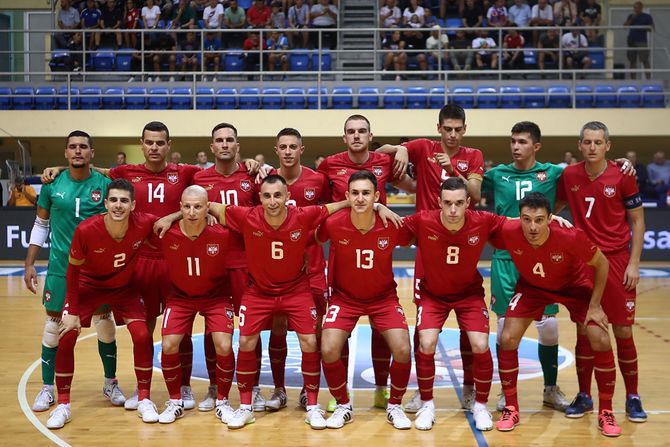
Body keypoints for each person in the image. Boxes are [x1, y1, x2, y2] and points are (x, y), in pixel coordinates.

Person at [199, 175, 366, 429]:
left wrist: (374, 206)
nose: (272, 201)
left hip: (296, 291)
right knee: (245, 340)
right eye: (267, 196)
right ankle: (245, 407)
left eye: (278, 195)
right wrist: (174, 215)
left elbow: (334, 206)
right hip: (258, 292)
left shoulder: (302, 215)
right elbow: (207, 203)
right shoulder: (247, 216)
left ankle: (312, 406)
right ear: (260, 198)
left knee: (310, 341)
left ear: (288, 197)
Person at [377, 104, 484, 413]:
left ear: (464, 129)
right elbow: (383, 151)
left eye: (457, 129)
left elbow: (475, 194)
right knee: (424, 325)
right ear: (438, 128)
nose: (452, 134)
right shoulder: (424, 147)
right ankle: (420, 391)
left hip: (463, 241)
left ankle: (469, 387)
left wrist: (452, 168)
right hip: (429, 241)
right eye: (447, 129)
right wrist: (399, 149)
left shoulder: (473, 156)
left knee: (469, 323)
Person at [492, 192, 621, 437]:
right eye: (526, 219)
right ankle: (511, 407)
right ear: (518, 217)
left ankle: (606, 411)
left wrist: (595, 306)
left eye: (539, 220)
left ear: (551, 218)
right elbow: (483, 224)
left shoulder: (570, 236)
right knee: (507, 337)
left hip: (573, 287)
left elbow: (602, 263)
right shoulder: (509, 230)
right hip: (532, 288)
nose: (532, 226)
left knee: (601, 338)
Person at [25, 131, 123, 414]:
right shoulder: (51, 185)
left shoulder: (105, 185)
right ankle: (47, 389)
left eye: (83, 147)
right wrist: (30, 262)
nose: (78, 151)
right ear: (66, 153)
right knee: (54, 328)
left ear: (92, 153)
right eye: (72, 147)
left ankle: (110, 382)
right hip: (59, 269)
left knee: (105, 324)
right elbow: (41, 225)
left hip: (97, 272)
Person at [47, 179, 158, 429]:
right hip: (88, 286)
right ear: (105, 203)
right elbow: (72, 273)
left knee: (142, 335)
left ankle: (144, 398)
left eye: (124, 201)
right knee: (65, 336)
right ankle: (63, 404)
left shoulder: (144, 223)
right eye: (114, 200)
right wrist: (72, 311)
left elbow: (172, 220)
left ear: (133, 205)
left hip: (124, 288)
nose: (118, 205)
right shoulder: (86, 230)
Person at [317, 114, 410, 412]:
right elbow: (315, 200)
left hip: (376, 236)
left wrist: (402, 149)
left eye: (362, 132)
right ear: (344, 137)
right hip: (342, 243)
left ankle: (383, 389)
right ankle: (338, 393)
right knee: (334, 336)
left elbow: (410, 185)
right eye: (350, 132)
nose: (356, 136)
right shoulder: (329, 164)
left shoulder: (384, 162)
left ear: (371, 136)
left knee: (382, 328)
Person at [557, 121, 647, 423]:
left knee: (622, 330)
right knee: (586, 331)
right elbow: (552, 206)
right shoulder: (569, 174)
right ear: (579, 145)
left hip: (618, 261)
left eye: (598, 142)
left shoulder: (623, 175)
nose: (592, 147)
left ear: (608, 145)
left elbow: (637, 221)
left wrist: (634, 263)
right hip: (583, 264)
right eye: (587, 142)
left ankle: (632, 396)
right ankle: (584, 395)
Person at [403, 177, 507, 431]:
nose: (452, 210)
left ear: (468, 203)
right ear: (439, 202)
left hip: (468, 295)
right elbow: (389, 225)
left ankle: (480, 405)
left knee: (480, 344)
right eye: (447, 203)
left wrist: (551, 220)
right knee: (426, 343)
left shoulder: (482, 220)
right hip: (433, 295)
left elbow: (518, 223)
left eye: (459, 203)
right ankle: (427, 404)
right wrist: (380, 207)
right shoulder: (422, 220)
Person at [482, 122, 569, 413]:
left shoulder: (553, 172)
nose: (515, 147)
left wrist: (622, 164)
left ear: (536, 146)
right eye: (513, 141)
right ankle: (508, 393)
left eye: (521, 142)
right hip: (506, 259)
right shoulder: (496, 174)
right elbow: (466, 186)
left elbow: (582, 182)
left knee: (550, 328)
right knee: (506, 328)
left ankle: (550, 388)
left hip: (539, 261)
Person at [191, 123, 268, 412]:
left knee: (251, 329)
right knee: (214, 329)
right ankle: (214, 386)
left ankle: (255, 388)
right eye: (219, 140)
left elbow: (276, 192)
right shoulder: (198, 178)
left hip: (247, 264)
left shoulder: (252, 175)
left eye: (230, 140)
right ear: (211, 147)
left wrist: (263, 165)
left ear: (238, 145)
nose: (224, 144)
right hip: (212, 264)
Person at [152, 185, 236, 424]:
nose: (191, 212)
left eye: (198, 206)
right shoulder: (166, 233)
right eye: (187, 207)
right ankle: (175, 401)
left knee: (223, 344)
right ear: (180, 208)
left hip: (216, 297)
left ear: (207, 207)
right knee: (168, 344)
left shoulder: (222, 233)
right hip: (180, 298)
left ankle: (222, 401)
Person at [266, 127, 331, 411]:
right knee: (277, 328)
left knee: (313, 331)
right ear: (276, 150)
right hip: (277, 270)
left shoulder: (318, 180)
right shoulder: (266, 181)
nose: (289, 151)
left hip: (313, 268)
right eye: (284, 147)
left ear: (301, 150)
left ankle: (308, 389)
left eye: (294, 147)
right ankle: (279, 390)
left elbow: (331, 212)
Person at [625, 2, 654, 80]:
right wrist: (632, 19)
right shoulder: (631, 16)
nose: (636, 9)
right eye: (635, 8)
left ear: (641, 8)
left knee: (645, 60)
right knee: (632, 61)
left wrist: (642, 27)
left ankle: (648, 79)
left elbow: (652, 28)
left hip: (642, 41)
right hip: (631, 40)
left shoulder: (647, 17)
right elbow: (625, 26)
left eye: (638, 8)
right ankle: (633, 80)